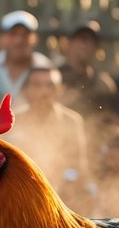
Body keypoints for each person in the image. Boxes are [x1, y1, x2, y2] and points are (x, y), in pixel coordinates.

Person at [6, 65, 90, 208]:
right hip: (21, 196)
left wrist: (66, 182)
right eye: (37, 85)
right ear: (25, 90)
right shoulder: (12, 122)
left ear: (60, 90)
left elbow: (77, 165)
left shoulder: (71, 122)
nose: (44, 92)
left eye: (50, 86)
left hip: (63, 198)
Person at [56, 20, 119, 126]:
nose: (85, 45)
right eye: (81, 39)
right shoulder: (55, 79)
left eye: (91, 41)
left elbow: (112, 120)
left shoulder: (103, 84)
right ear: (67, 44)